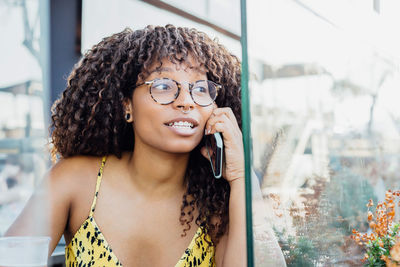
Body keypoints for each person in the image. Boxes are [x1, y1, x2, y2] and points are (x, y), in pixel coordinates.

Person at [5, 24, 246, 267]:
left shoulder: (216, 204)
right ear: (126, 106)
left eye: (201, 88)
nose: (186, 101)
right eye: (163, 86)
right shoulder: (75, 181)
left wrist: (240, 178)